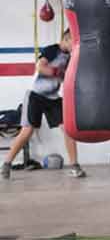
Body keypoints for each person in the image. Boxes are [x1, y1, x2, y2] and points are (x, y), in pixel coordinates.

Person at [1, 29, 86, 180]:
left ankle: (75, 166)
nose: (76, 45)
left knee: (68, 130)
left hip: (53, 98)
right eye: (74, 41)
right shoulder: (52, 49)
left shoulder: (70, 57)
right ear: (66, 39)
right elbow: (40, 67)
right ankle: (6, 165)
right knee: (27, 131)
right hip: (35, 95)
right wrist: (59, 73)